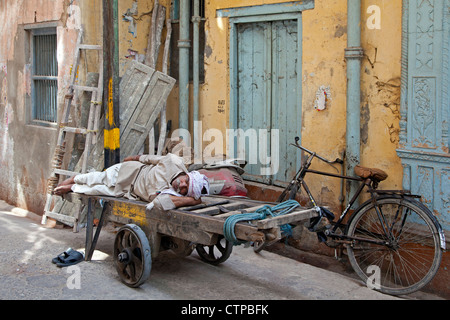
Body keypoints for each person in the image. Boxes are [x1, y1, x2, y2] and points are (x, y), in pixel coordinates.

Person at [53, 153, 209, 211]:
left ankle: (73, 187)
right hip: (130, 171)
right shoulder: (174, 161)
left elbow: (161, 203)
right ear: (188, 174)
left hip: (128, 191)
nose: (182, 185)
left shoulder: (171, 194)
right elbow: (151, 159)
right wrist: (134, 158)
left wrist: (190, 200)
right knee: (98, 178)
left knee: (96, 190)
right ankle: (74, 179)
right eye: (186, 181)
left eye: (185, 189)